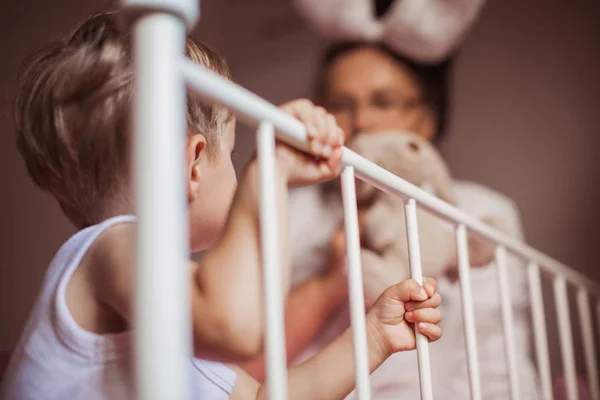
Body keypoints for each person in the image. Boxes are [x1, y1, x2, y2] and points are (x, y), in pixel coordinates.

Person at [0, 12, 443, 400]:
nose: (241, 170)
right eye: (232, 156)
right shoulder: (110, 248)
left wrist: (372, 337)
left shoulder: (172, 308)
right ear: (193, 166)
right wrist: (267, 173)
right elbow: (238, 328)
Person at [241, 42, 540, 399]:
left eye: (384, 102)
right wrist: (330, 281)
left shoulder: (480, 214)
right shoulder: (291, 209)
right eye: (341, 105)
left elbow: (500, 365)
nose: (363, 122)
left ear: (427, 117)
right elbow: (238, 373)